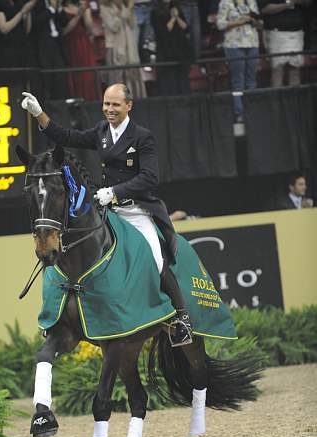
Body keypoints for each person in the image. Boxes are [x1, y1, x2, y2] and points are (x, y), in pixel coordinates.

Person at [21, 83, 193, 345]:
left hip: (136, 209)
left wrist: (114, 191)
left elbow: (150, 176)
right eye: (106, 104)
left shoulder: (141, 137)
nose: (109, 109)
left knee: (156, 258)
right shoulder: (102, 131)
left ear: (128, 106)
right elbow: (66, 137)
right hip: (108, 210)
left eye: (115, 105)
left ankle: (181, 319)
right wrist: (39, 115)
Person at [217, 0, 262, 122]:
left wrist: (254, 21)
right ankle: (239, 113)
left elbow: (260, 24)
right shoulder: (225, 3)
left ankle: (253, 111)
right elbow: (220, 24)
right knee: (238, 81)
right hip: (234, 44)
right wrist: (239, 22)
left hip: (252, 42)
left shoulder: (251, 2)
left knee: (251, 81)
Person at [258, 0, 311, 87]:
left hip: (297, 33)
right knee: (277, 69)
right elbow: (264, 9)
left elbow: (308, 3)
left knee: (295, 68)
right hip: (276, 33)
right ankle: (277, 99)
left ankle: (294, 99)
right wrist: (289, 4)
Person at [100, 0, 147, 99]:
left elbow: (133, 23)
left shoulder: (125, 7)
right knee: (118, 76)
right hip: (115, 46)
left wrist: (128, 10)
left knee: (132, 73)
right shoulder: (105, 9)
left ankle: (135, 98)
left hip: (129, 46)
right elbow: (114, 26)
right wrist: (125, 11)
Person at [151, 0, 191, 96]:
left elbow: (186, 28)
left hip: (180, 50)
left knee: (182, 81)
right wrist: (173, 19)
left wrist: (177, 17)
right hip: (165, 51)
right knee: (169, 83)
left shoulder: (176, 9)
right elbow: (163, 32)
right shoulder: (155, 12)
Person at [30, 0, 69, 99]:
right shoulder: (37, 3)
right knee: (47, 77)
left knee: (60, 75)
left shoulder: (56, 3)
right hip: (43, 45)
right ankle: (47, 104)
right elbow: (35, 23)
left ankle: (60, 103)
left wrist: (58, 7)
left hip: (57, 44)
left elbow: (64, 22)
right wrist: (51, 9)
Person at [61, 0, 99, 101]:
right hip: (70, 43)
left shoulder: (83, 7)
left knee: (88, 72)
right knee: (75, 73)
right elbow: (64, 31)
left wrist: (86, 11)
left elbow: (90, 28)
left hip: (83, 43)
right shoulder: (61, 10)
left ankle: (91, 100)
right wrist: (78, 15)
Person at [0, 0, 37, 68]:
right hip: (5, 49)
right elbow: (4, 29)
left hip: (21, 48)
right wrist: (22, 12)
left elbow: (27, 30)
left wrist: (28, 11)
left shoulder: (19, 3)